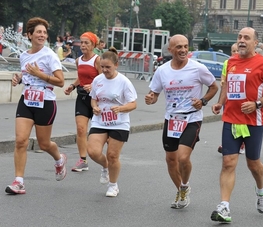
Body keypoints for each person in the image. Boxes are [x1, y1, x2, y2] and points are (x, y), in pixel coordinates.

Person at [210, 27, 263, 223]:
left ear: (255, 43)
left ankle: (261, 190)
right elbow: (226, 86)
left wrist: (257, 104)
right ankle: (224, 207)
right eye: (240, 37)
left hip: (253, 121)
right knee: (228, 162)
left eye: (246, 38)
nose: (241, 40)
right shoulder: (231, 62)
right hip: (231, 120)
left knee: (253, 164)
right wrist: (220, 103)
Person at [145, 34, 218, 209]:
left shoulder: (197, 68)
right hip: (171, 119)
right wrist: (151, 98)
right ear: (170, 50)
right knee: (171, 160)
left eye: (186, 46)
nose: (183, 50)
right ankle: (181, 190)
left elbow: (214, 86)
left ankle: (184, 185)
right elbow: (154, 93)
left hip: (192, 118)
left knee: (183, 157)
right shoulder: (162, 71)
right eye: (179, 47)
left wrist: (203, 101)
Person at [5, 17, 67, 195]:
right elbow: (27, 76)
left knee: (44, 143)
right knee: (21, 141)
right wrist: (19, 78)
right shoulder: (24, 55)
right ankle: (19, 182)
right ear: (29, 35)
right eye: (38, 32)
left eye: (44, 33)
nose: (42, 35)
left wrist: (40, 74)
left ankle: (59, 159)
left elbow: (61, 81)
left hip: (45, 101)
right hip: (27, 100)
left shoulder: (50, 55)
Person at [87, 47, 138, 197]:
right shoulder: (97, 80)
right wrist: (95, 107)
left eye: (108, 67)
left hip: (119, 123)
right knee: (93, 152)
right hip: (100, 121)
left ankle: (113, 185)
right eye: (102, 67)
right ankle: (105, 167)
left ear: (116, 65)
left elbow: (133, 104)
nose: (104, 70)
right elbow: (93, 99)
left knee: (113, 155)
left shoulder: (124, 82)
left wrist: (121, 109)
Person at [64, 32, 102, 172]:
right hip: (82, 97)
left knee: (104, 133)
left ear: (93, 45)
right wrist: (72, 86)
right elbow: (80, 77)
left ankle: (111, 156)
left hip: (97, 99)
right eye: (82, 42)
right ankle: (83, 160)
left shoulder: (97, 60)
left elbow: (104, 78)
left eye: (87, 43)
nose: (83, 45)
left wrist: (93, 86)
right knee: (81, 129)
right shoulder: (78, 60)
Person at [217, 43, 245, 154]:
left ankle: (241, 143)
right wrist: (223, 83)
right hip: (229, 97)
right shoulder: (227, 63)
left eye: (237, 50)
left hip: (242, 97)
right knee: (229, 120)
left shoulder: (244, 63)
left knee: (241, 121)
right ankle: (227, 144)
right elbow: (224, 77)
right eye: (233, 51)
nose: (235, 53)